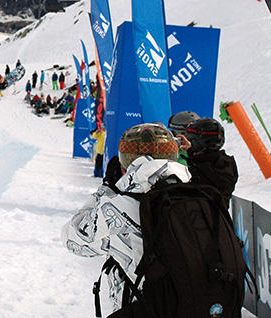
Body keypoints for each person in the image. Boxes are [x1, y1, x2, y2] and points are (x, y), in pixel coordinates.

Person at [62, 124, 187, 317]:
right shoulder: (200, 196)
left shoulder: (118, 206)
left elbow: (75, 240)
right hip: (197, 304)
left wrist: (107, 190)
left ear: (125, 162)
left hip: (144, 308)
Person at [181, 117, 238, 209]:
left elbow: (204, 177)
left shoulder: (216, 169)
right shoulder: (223, 162)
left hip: (205, 219)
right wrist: (191, 152)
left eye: (191, 140)